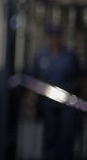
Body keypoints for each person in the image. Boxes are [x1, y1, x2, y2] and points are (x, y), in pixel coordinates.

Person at [32, 24, 81, 160]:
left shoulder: (70, 56)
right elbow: (34, 80)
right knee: (50, 137)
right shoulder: (41, 56)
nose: (54, 39)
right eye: (51, 36)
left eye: (57, 36)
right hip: (48, 104)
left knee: (66, 138)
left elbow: (80, 78)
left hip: (68, 103)